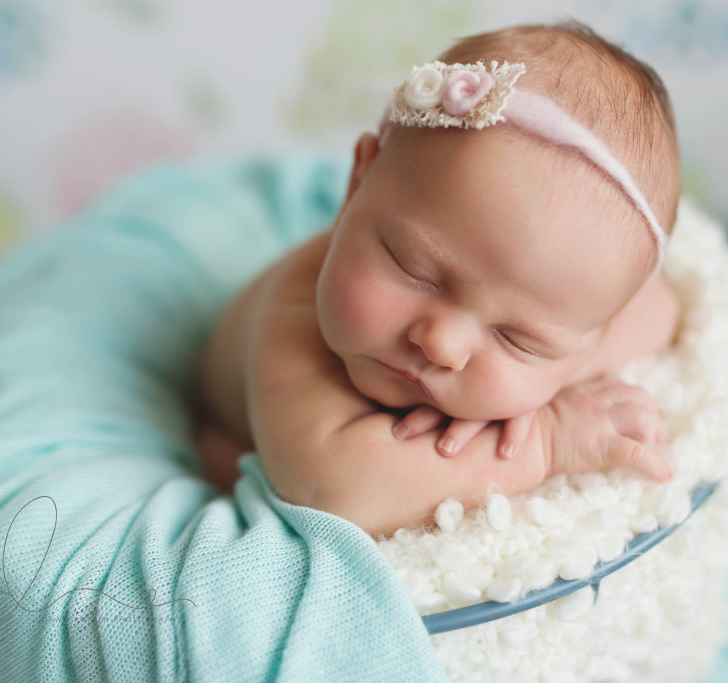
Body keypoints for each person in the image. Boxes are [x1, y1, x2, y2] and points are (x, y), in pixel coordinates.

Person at [194, 21, 682, 537]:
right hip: (235, 423)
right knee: (232, 472)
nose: (442, 346)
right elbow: (339, 491)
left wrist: (562, 374)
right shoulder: (294, 319)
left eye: (519, 338)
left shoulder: (575, 307)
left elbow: (661, 310)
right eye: (414, 270)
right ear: (357, 183)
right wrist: (548, 437)